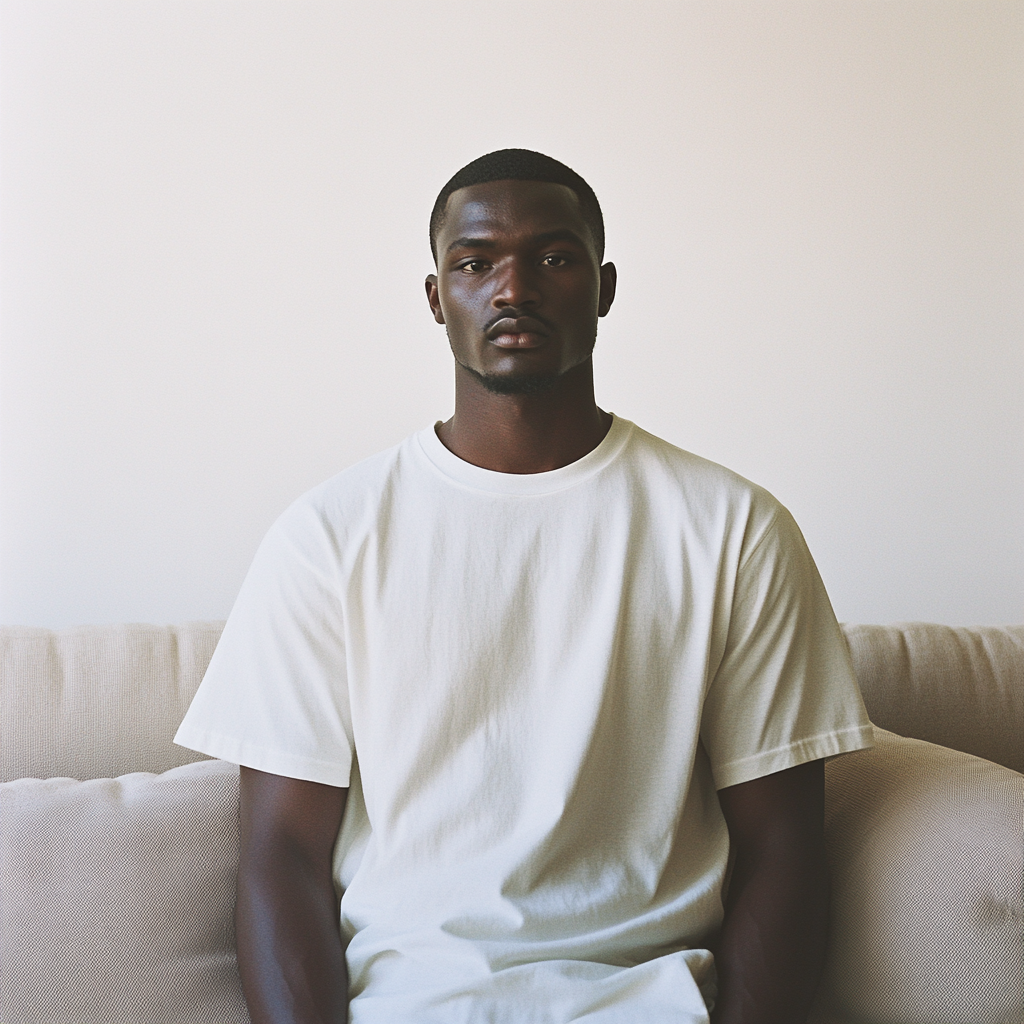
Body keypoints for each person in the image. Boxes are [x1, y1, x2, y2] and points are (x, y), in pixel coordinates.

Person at [175, 149, 873, 1024]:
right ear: (436, 297)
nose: (513, 288)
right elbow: (279, 853)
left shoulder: (733, 529)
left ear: (604, 287)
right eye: (475, 262)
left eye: (553, 257)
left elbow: (785, 848)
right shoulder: (328, 537)